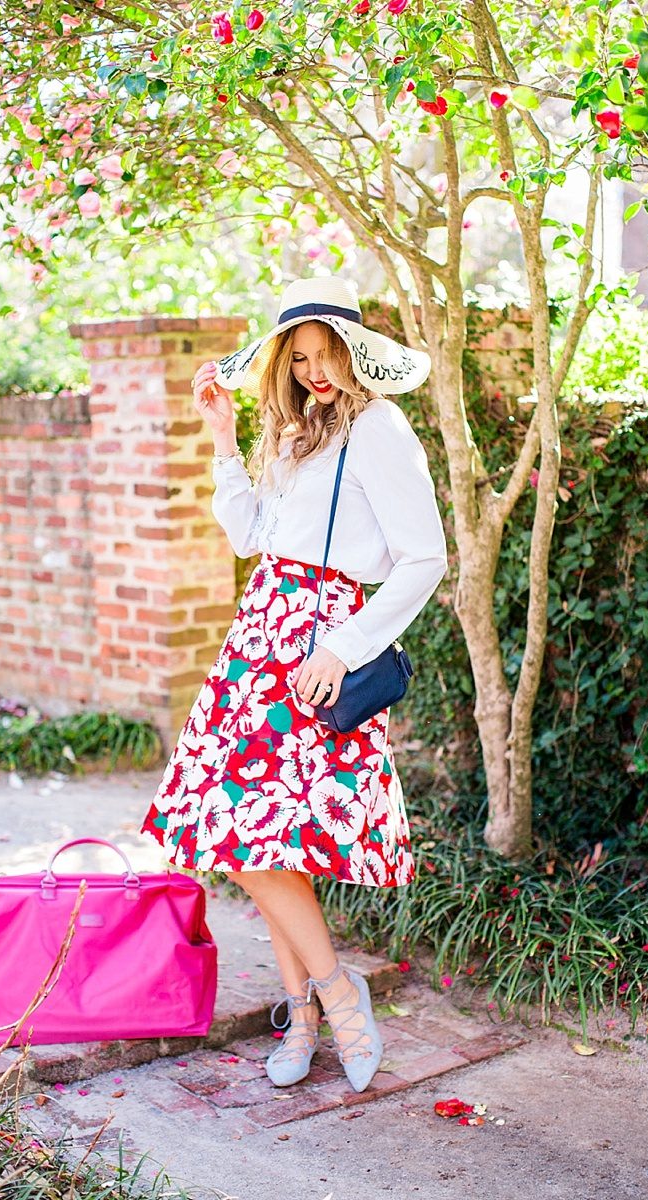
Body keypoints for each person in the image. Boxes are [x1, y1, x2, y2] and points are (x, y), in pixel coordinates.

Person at [139, 273, 447, 1094]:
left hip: (317, 649)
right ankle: (311, 1007)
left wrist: (345, 648)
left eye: (326, 353)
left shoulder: (379, 429)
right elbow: (251, 537)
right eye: (300, 356)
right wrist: (222, 437)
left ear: (355, 354)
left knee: (255, 835)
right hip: (257, 638)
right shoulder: (295, 433)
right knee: (247, 837)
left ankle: (334, 1002)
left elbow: (425, 558)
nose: (315, 370)